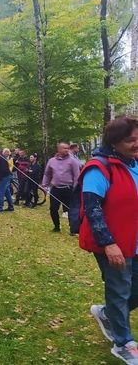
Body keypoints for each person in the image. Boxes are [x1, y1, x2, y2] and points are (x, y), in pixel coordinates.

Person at [78, 116, 138, 363]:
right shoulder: (99, 168)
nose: (136, 144)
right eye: (130, 140)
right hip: (114, 243)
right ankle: (123, 343)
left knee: (131, 291)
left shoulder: (135, 164)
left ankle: (107, 313)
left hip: (135, 240)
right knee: (120, 289)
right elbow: (92, 209)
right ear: (114, 142)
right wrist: (109, 244)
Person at [41, 142, 81, 232]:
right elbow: (47, 174)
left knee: (71, 209)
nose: (67, 150)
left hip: (68, 189)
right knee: (53, 209)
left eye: (67, 148)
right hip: (55, 188)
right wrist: (44, 184)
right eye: (64, 148)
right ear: (59, 149)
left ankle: (73, 228)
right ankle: (56, 226)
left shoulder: (73, 161)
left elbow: (77, 175)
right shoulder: (52, 161)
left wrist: (75, 188)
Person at [0, 148, 14, 213]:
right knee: (7, 192)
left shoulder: (1, 158)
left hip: (5, 176)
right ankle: (11, 207)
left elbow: (3, 170)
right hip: (5, 176)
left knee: (0, 192)